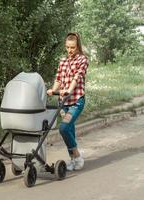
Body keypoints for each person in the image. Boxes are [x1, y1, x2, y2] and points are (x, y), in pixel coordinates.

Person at [47, 32, 89, 171]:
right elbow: (58, 79)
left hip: (76, 101)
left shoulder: (83, 60)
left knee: (64, 128)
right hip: (63, 103)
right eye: (67, 47)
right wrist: (53, 90)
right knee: (69, 131)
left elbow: (77, 78)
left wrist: (69, 90)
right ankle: (73, 160)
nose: (70, 50)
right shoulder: (63, 61)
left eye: (73, 47)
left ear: (78, 46)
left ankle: (77, 156)